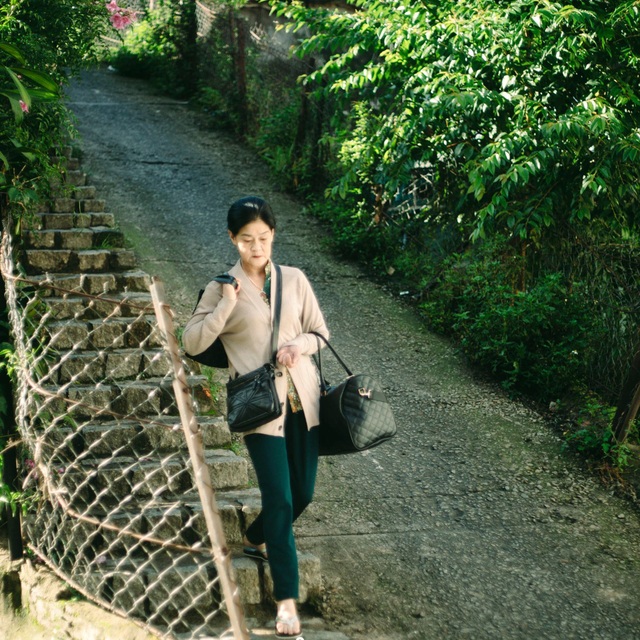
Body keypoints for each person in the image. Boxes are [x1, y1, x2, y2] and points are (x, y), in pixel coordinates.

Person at [182, 196, 329, 639]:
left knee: (301, 493)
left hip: (304, 402)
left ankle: (255, 536)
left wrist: (298, 346)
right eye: (247, 239)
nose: (256, 246)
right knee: (281, 499)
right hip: (261, 409)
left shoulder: (295, 279)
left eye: (263, 238)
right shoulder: (220, 286)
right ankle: (286, 603)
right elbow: (191, 341)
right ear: (232, 238)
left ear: (273, 236)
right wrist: (227, 304)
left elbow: (320, 333)